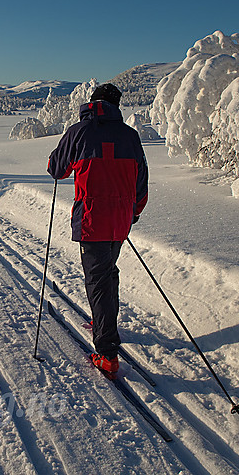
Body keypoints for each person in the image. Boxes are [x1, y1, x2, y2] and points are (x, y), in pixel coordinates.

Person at [47, 83, 148, 374]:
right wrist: (133, 213)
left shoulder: (79, 131)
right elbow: (142, 181)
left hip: (93, 220)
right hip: (121, 220)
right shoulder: (130, 135)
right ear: (117, 105)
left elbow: (57, 170)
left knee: (99, 279)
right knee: (107, 272)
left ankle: (106, 352)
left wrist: (54, 159)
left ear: (92, 103)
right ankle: (103, 320)